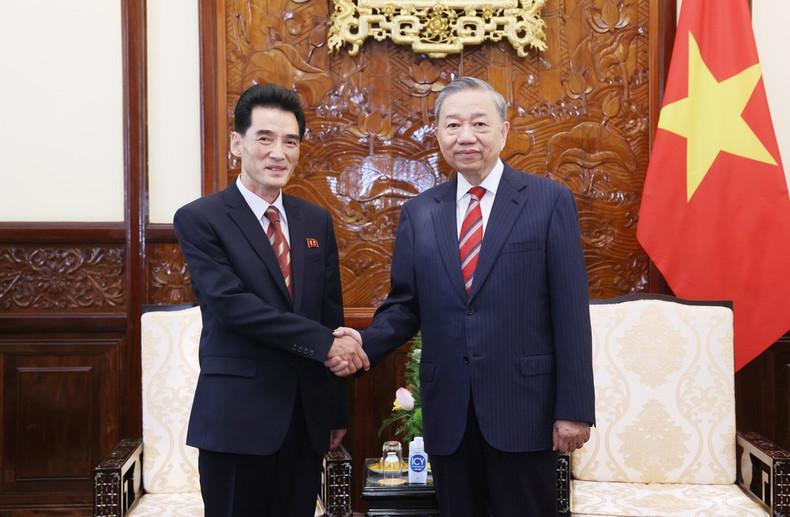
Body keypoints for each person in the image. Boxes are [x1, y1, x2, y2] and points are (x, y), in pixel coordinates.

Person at [332, 77, 595, 516]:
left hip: (524, 411)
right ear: (437, 135)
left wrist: (574, 409)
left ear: (504, 131)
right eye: (453, 125)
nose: (466, 136)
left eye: (479, 123)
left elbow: (571, 313)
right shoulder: (419, 213)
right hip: (449, 412)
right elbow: (404, 306)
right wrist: (361, 346)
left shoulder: (549, 202)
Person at [173, 82, 369, 517]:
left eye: (290, 141)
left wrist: (335, 410)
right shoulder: (200, 218)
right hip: (237, 421)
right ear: (237, 142)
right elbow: (231, 305)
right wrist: (324, 344)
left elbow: (329, 315)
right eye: (265, 138)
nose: (278, 152)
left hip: (305, 418)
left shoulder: (314, 219)